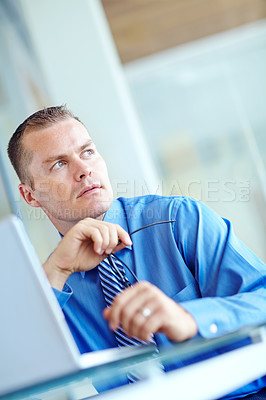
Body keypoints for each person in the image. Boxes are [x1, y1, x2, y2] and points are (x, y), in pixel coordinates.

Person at [7, 105, 266, 399]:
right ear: (30, 195)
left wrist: (190, 318)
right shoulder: (52, 288)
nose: (83, 170)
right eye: (59, 164)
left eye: (88, 152)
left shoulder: (177, 219)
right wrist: (54, 273)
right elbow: (19, 374)